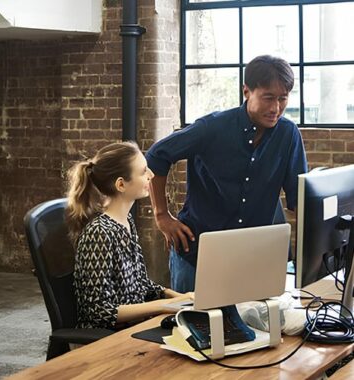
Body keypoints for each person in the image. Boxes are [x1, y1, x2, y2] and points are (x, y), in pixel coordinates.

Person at [146, 55, 308, 293]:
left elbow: (299, 199)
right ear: (246, 91)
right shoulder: (212, 127)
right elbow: (156, 156)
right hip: (197, 252)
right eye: (268, 98)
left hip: (253, 257)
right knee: (192, 326)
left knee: (254, 328)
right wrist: (162, 216)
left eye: (283, 99)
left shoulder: (288, 134)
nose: (276, 108)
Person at [66, 141, 193, 330]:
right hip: (105, 338)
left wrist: (180, 297)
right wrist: (165, 306)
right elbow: (100, 311)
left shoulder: (126, 222)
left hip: (131, 327)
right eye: (143, 172)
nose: (151, 175)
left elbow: (140, 284)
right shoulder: (100, 233)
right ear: (121, 184)